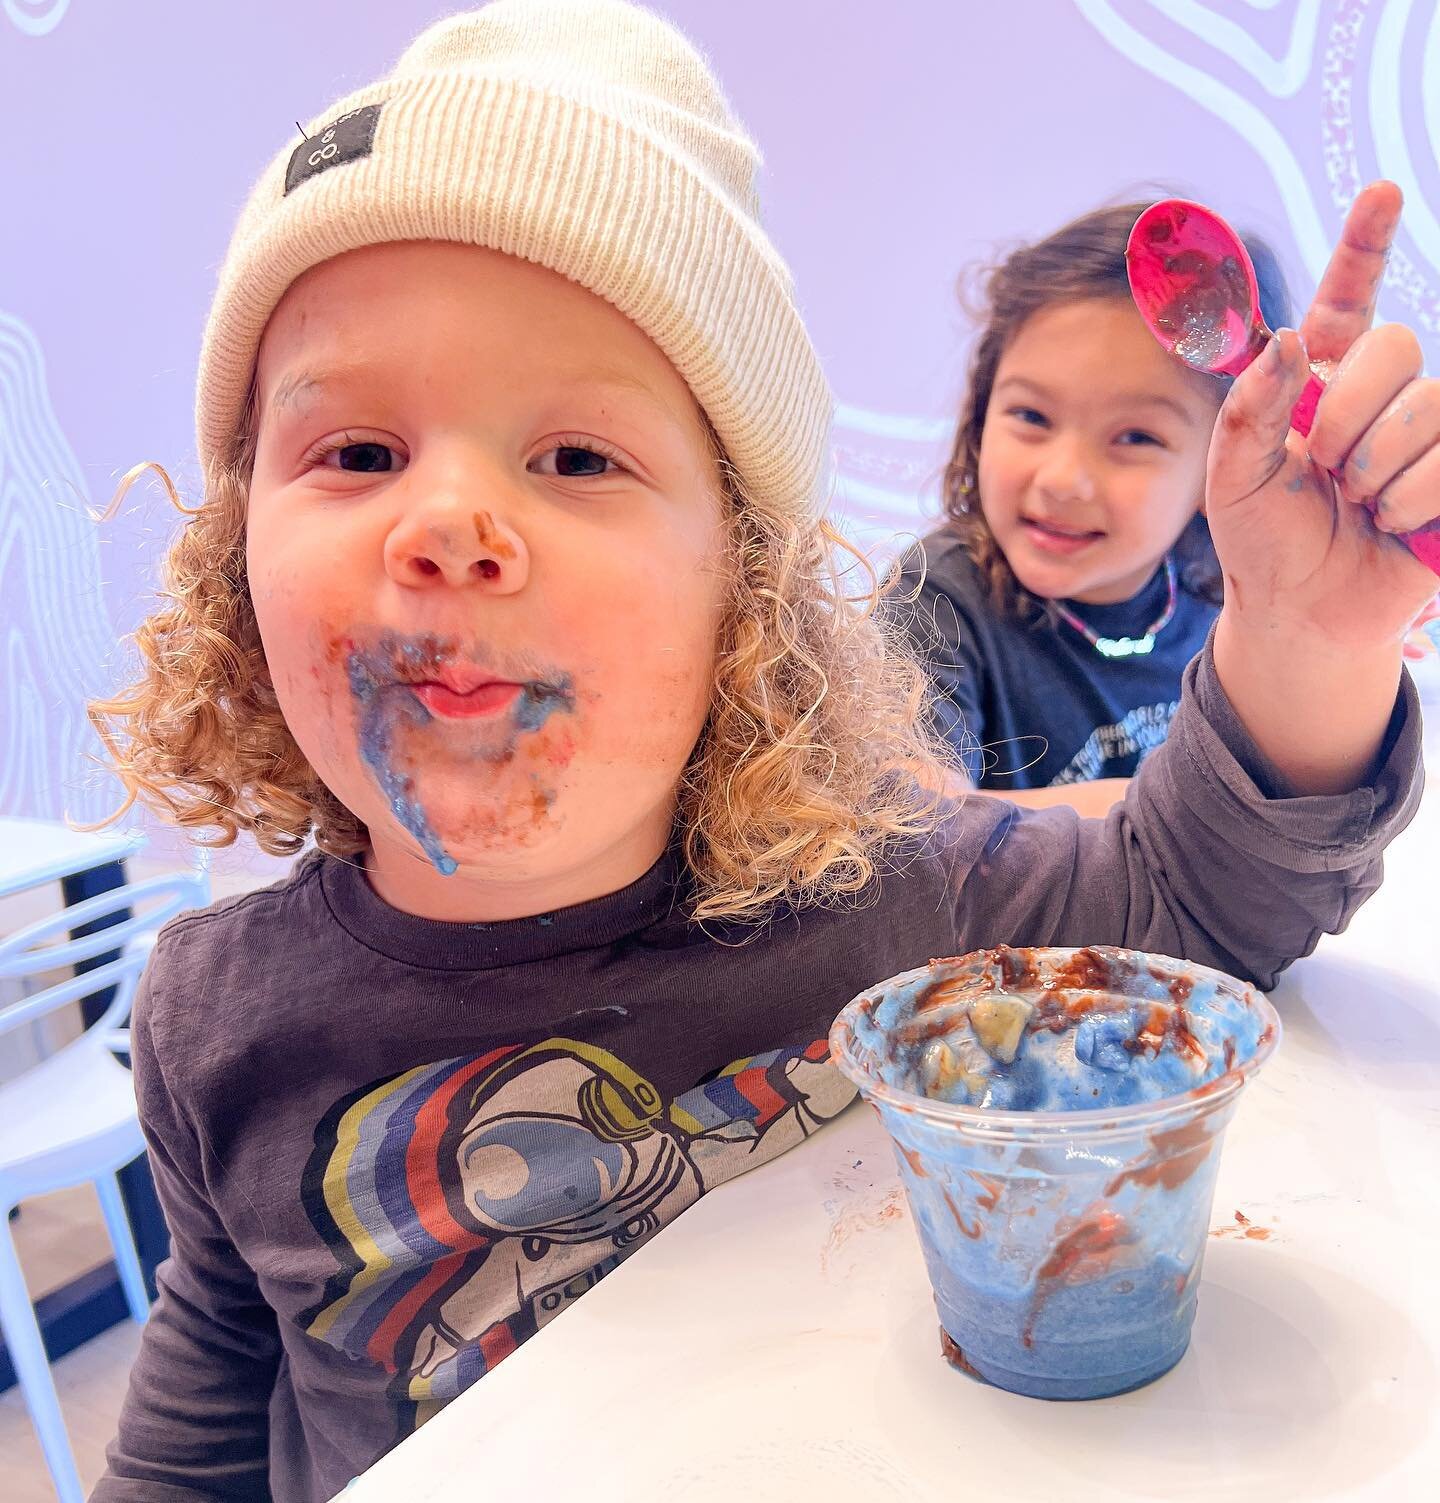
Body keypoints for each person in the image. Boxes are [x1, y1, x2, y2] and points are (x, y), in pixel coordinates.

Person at [89, 4, 1432, 1497]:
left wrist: (1310, 636)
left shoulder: (893, 892)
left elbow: (1208, 893)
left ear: (746, 592)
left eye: (577, 457)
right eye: (356, 453)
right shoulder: (213, 1021)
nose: (448, 529)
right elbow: (204, 1409)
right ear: (232, 565)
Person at [894, 203, 1292, 812]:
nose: (1063, 480)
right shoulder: (934, 599)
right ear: (980, 413)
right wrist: (1174, 823)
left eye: (1135, 438)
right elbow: (914, 828)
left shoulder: (1229, 599)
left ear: (1221, 464)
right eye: (1031, 416)